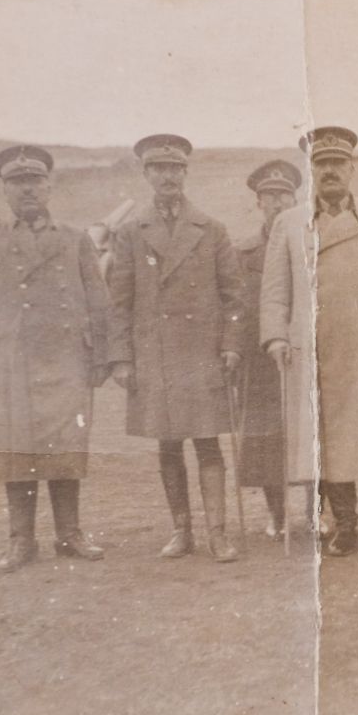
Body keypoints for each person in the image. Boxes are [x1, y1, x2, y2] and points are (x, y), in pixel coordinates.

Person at [260, 125, 358, 558]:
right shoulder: (289, 223)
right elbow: (274, 291)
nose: (330, 170)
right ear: (312, 170)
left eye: (338, 163)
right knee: (330, 439)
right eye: (321, 163)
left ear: (351, 169)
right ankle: (345, 525)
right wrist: (275, 337)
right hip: (315, 347)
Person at [0, 146, 110, 572]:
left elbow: (99, 302)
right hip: (11, 363)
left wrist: (101, 356)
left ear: (49, 187)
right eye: (17, 182)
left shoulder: (75, 239)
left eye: (35, 181)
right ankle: (21, 540)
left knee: (66, 447)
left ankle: (69, 534)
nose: (27, 189)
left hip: (67, 360)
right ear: (5, 190)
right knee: (15, 449)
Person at [108, 133, 246, 562]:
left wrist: (231, 345)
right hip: (156, 356)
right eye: (159, 169)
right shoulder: (130, 233)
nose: (168, 176)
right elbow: (119, 301)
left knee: (207, 443)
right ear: (146, 174)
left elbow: (234, 297)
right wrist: (122, 357)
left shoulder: (212, 229)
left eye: (175, 168)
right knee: (168, 444)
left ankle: (218, 534)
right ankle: (181, 531)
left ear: (185, 173)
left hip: (201, 354)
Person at [235, 159, 301, 538]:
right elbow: (236, 307)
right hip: (260, 361)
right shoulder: (243, 252)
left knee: (311, 431)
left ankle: (317, 512)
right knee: (266, 439)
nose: (277, 202)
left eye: (284, 195)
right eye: (269, 195)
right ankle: (277, 513)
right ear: (258, 202)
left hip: (303, 354)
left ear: (295, 200)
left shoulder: (309, 244)